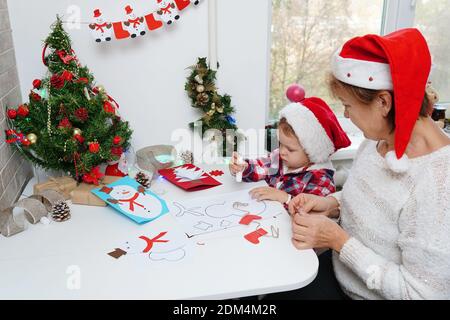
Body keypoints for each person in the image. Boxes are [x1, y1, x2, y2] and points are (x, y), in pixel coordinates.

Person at [267, 28, 450, 300]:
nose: (345, 114)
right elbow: (373, 202)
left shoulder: (438, 183)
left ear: (383, 103)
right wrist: (332, 203)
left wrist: (338, 241)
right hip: (339, 272)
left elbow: (421, 295)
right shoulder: (379, 139)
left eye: (347, 105)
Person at [229, 97, 350, 207]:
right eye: (281, 143)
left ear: (312, 152)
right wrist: (242, 167)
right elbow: (259, 168)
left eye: (290, 149)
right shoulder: (280, 157)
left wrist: (285, 198)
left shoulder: (321, 180)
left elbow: (312, 215)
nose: (282, 151)